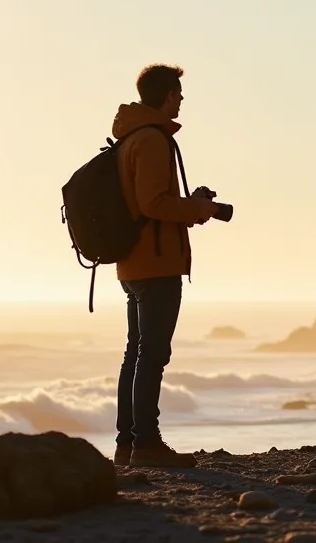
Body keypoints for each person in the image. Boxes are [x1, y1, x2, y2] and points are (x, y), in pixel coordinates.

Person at [111, 63, 221, 468]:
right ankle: (147, 444)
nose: (180, 99)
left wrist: (193, 203)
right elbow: (153, 204)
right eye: (176, 92)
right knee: (152, 354)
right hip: (156, 263)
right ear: (163, 95)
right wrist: (198, 209)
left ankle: (127, 443)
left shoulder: (128, 138)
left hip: (131, 262)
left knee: (135, 353)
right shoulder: (152, 140)